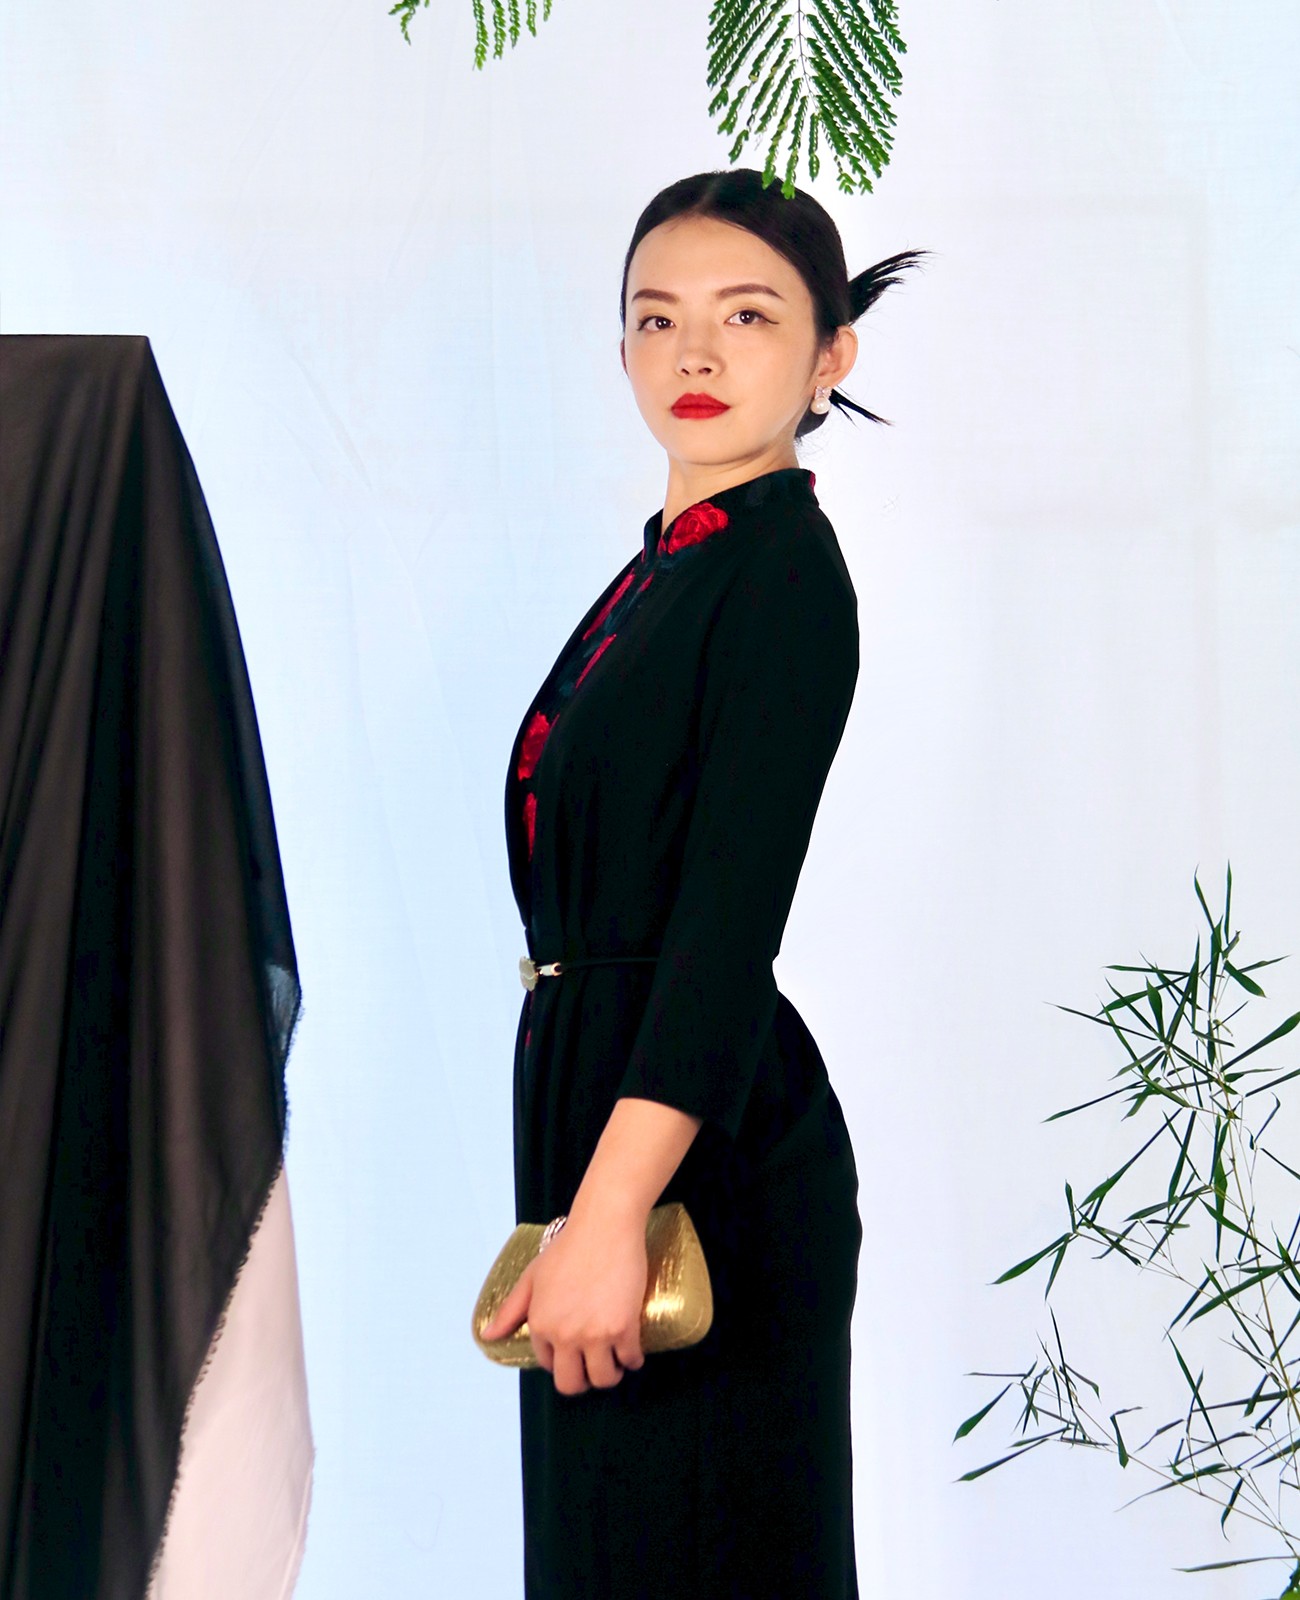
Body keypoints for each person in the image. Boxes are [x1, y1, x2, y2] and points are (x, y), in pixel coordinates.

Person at [479, 167, 925, 1599]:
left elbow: (726, 931)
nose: (696, 352)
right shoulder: (670, 569)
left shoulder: (780, 576)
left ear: (829, 354)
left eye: (748, 315)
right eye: (656, 318)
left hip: (694, 1143)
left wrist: (610, 1216)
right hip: (606, 1101)